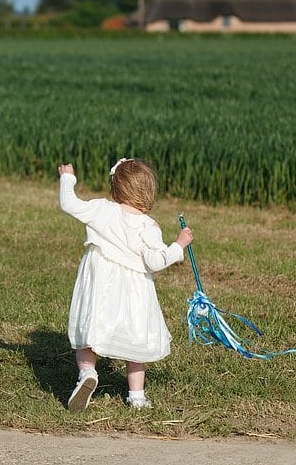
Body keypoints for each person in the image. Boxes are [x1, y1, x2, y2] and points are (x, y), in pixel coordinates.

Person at [57, 158, 193, 411]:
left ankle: (87, 373)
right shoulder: (148, 226)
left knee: (90, 330)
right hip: (134, 289)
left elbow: (68, 203)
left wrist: (68, 178)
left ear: (115, 187)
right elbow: (155, 261)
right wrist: (179, 244)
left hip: (99, 281)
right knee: (135, 341)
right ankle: (137, 396)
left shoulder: (102, 210)